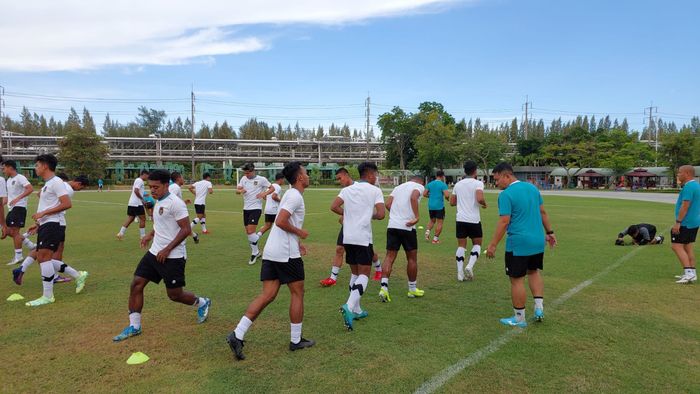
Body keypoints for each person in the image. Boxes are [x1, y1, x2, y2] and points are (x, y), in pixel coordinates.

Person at [227, 162, 314, 360]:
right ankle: (295, 340)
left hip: (272, 251)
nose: (308, 175)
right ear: (300, 177)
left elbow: (286, 221)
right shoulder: (294, 195)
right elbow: (281, 221)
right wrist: (300, 233)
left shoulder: (290, 195)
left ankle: (237, 334)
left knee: (268, 295)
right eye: (306, 173)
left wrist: (297, 241)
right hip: (286, 254)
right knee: (297, 293)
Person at [113, 169, 211, 342]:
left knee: (175, 295)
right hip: (154, 253)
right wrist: (150, 235)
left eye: (156, 187)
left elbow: (186, 229)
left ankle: (202, 302)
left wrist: (167, 249)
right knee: (136, 284)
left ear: (166, 185)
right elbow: (162, 224)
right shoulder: (158, 201)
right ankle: (134, 326)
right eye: (150, 187)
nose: (152, 190)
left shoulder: (176, 203)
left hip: (173, 257)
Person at [486, 162, 556, 327]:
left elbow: (504, 221)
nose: (496, 184)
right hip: (538, 240)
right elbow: (543, 212)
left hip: (519, 243)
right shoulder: (532, 188)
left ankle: (519, 318)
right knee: (533, 272)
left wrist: (493, 245)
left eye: (497, 180)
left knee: (516, 279)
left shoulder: (505, 195)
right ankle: (539, 309)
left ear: (507, 175)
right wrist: (550, 232)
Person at [331, 162, 385, 331]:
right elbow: (382, 214)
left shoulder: (347, 190)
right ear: (369, 175)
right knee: (364, 275)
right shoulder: (375, 191)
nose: (376, 178)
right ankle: (348, 305)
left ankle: (357, 309)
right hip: (363, 237)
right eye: (375, 175)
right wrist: (370, 215)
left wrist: (348, 214)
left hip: (348, 237)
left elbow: (334, 206)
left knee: (355, 273)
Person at [13, 174, 90, 290]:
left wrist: (39, 222)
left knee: (41, 250)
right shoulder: (67, 189)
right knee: (51, 253)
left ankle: (22, 269)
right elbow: (64, 205)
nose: (79, 190)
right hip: (56, 223)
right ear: (78, 183)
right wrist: (42, 218)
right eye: (81, 188)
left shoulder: (54, 184)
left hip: (46, 221)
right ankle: (62, 276)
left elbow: (40, 195)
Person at [24, 154, 73, 307]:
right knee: (42, 257)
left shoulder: (56, 182)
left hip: (52, 225)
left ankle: (48, 296)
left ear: (45, 165)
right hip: (46, 225)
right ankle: (76, 275)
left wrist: (43, 214)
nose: (35, 168)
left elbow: (67, 203)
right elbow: (46, 206)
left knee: (43, 258)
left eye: (37, 165)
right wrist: (38, 223)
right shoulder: (47, 184)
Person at [320, 168, 382, 287]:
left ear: (347, 175)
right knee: (339, 249)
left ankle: (378, 268)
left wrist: (355, 216)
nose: (339, 181)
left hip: (361, 227)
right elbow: (334, 207)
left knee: (369, 250)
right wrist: (346, 215)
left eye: (340, 178)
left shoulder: (361, 187)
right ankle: (333, 278)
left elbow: (368, 209)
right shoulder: (345, 190)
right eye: (337, 179)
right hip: (348, 226)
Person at [378, 175, 425, 303]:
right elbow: (413, 197)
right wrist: (416, 216)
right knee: (411, 258)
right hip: (407, 227)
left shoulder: (398, 187)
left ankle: (384, 288)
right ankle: (412, 289)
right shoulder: (419, 186)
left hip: (392, 226)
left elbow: (388, 204)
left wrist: (396, 214)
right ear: (421, 181)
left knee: (389, 257)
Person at [450, 161, 487, 281]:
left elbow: (452, 202)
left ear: (464, 171)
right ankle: (470, 266)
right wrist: (484, 204)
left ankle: (460, 273)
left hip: (460, 219)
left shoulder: (458, 184)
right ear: (475, 171)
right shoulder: (478, 183)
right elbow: (480, 198)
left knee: (461, 246)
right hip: (474, 219)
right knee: (477, 244)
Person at [236, 163, 275, 265]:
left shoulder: (261, 179)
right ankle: (256, 252)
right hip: (246, 209)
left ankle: (256, 253)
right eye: (245, 173)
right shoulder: (243, 179)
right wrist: (240, 190)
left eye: (248, 173)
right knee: (249, 233)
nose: (246, 174)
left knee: (250, 231)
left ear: (253, 171)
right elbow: (238, 190)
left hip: (256, 208)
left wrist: (264, 193)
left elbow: (272, 188)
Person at [671, 165, 699, 284]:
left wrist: (678, 222)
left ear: (687, 173)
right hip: (693, 221)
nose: (678, 175)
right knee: (687, 246)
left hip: (686, 222)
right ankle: (692, 273)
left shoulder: (688, 187)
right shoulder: (696, 185)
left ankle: (688, 273)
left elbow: (685, 205)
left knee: (676, 246)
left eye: (679, 173)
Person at [3, 160, 34, 265]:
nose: (3, 171)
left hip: (19, 207)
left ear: (10, 168)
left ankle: (19, 256)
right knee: (8, 231)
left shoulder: (20, 177)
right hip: (11, 209)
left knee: (15, 232)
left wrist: (18, 198)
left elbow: (30, 189)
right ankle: (30, 245)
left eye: (4, 168)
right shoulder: (8, 180)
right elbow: (7, 198)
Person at [116, 170, 149, 240]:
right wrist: (142, 199)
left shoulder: (138, 180)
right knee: (143, 219)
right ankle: (143, 236)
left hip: (131, 203)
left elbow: (137, 191)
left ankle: (120, 233)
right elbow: (136, 191)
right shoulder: (140, 180)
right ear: (144, 174)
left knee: (130, 219)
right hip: (137, 204)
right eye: (147, 176)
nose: (147, 177)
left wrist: (144, 195)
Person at [170, 171, 199, 244]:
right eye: (182, 177)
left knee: (184, 227)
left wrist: (183, 202)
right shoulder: (176, 187)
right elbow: (170, 200)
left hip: (174, 212)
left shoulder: (174, 187)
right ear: (178, 178)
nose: (183, 179)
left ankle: (194, 235)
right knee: (183, 228)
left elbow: (174, 200)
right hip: (174, 213)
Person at [256, 172, 285, 238]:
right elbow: (274, 196)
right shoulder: (278, 187)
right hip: (274, 210)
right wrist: (281, 201)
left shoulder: (270, 186)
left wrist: (269, 200)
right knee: (280, 225)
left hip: (267, 209)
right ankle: (277, 240)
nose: (284, 181)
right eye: (283, 179)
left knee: (267, 226)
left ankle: (256, 237)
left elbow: (264, 197)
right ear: (280, 179)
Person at [424, 170, 449, 244]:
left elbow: (424, 194)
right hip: (439, 206)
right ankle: (435, 239)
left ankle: (427, 232)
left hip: (431, 206)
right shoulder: (443, 184)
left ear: (436, 176)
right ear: (442, 176)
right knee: (439, 222)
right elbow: (447, 195)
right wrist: (447, 199)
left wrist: (431, 196)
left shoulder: (430, 184)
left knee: (432, 220)